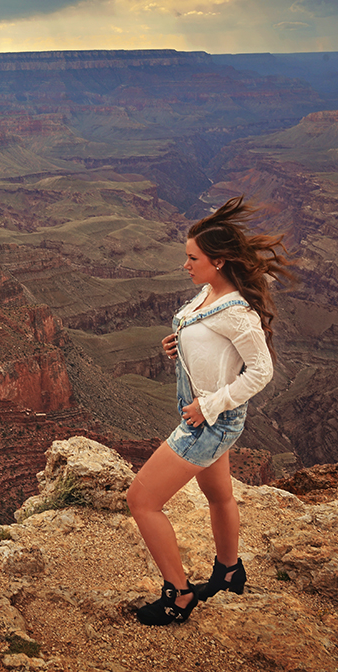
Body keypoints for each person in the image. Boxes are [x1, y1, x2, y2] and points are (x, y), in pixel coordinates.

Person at [127, 196, 295, 626]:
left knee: (141, 499)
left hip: (209, 423)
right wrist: (176, 346)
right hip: (204, 417)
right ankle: (228, 572)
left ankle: (178, 596)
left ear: (218, 262)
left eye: (192, 258)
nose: (186, 265)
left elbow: (261, 372)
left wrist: (210, 405)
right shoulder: (207, 294)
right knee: (218, 494)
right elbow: (206, 345)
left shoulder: (238, 313)